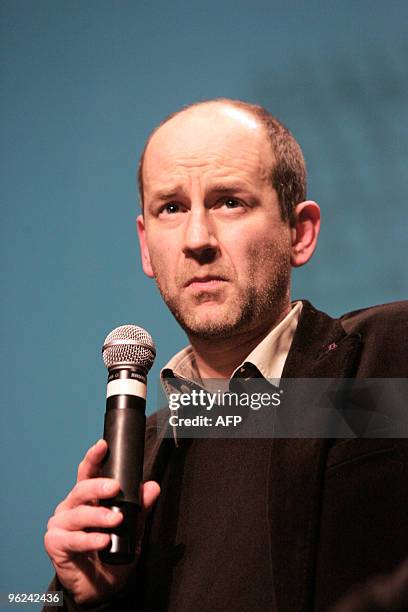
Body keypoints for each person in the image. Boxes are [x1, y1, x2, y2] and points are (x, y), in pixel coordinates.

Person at [44, 99, 408, 611]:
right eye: (171, 208)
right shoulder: (138, 460)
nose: (197, 240)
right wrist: (81, 598)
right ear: (147, 247)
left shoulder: (392, 357)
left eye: (229, 202)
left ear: (299, 232)